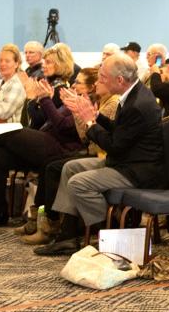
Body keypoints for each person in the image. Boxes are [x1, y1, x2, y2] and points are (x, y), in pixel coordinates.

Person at [34, 53, 164, 255]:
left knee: (79, 182)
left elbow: (114, 146)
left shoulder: (138, 104)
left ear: (119, 80)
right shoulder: (132, 94)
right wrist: (96, 116)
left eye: (103, 77)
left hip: (136, 171)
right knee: (70, 168)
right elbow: (119, 132)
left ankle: (108, 233)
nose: (99, 81)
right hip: (126, 161)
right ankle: (67, 236)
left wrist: (89, 122)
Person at [22, 67, 120, 245]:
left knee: (55, 167)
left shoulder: (113, 103)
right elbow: (85, 134)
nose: (74, 85)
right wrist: (77, 111)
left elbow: (84, 135)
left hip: (99, 155)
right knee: (48, 164)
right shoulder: (99, 101)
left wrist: (50, 101)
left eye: (79, 82)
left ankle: (54, 226)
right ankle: (43, 221)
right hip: (91, 151)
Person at [0, 70, 84, 229]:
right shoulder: (69, 99)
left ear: (90, 87)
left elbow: (63, 126)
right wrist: (37, 100)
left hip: (61, 149)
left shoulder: (85, 104)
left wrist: (46, 100)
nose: (74, 84)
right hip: (43, 139)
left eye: (79, 82)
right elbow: (41, 119)